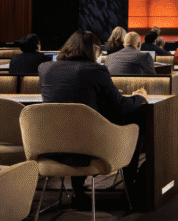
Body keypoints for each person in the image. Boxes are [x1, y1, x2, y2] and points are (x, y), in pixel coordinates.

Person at [39, 30, 147, 209]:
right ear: (95, 50)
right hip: (90, 147)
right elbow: (121, 106)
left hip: (51, 147)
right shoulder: (96, 70)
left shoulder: (44, 69)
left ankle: (78, 191)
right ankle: (131, 189)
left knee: (72, 128)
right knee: (134, 127)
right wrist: (140, 97)